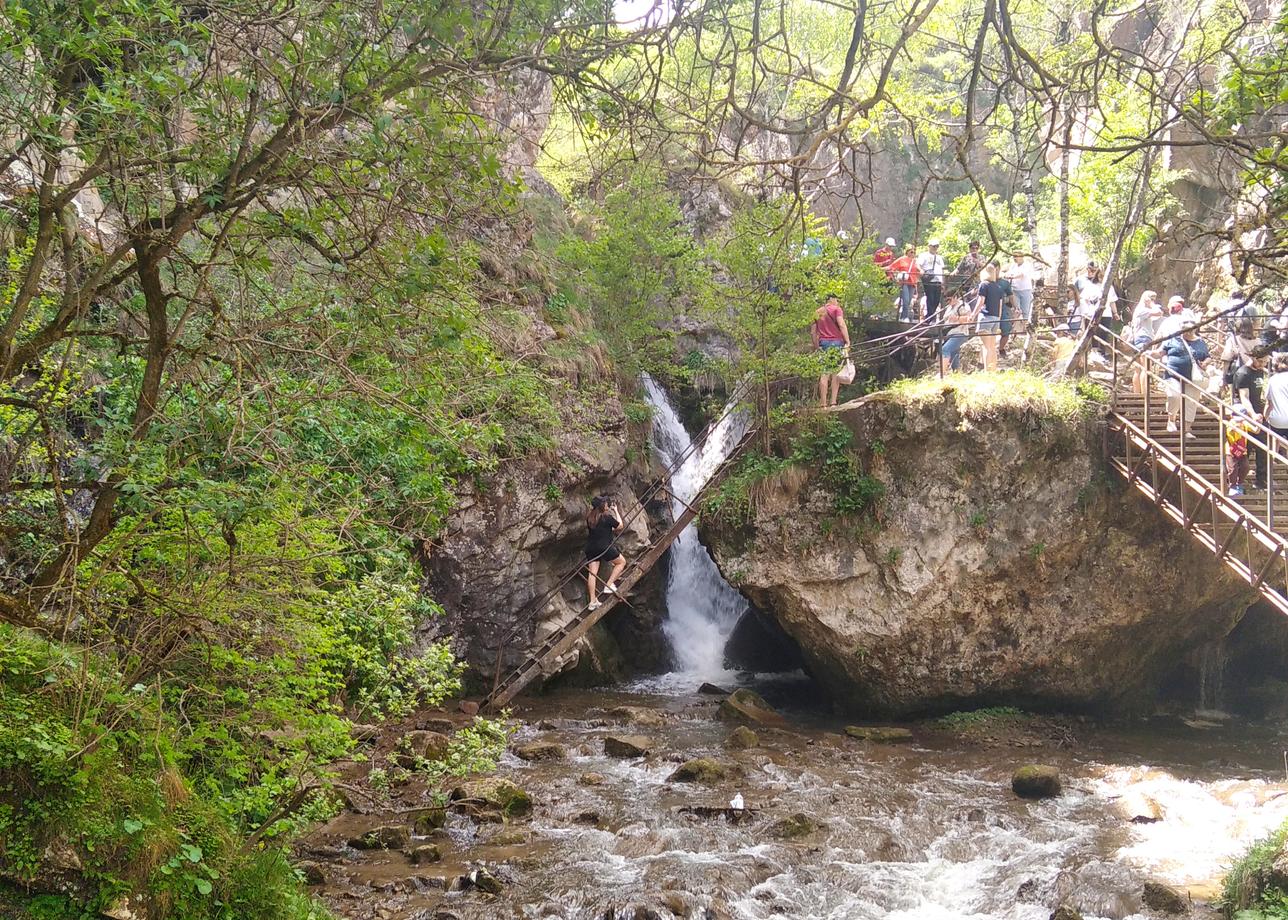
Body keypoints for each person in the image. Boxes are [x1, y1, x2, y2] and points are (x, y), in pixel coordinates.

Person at [1158, 323, 1210, 435]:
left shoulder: (1200, 342)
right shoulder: (1173, 340)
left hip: (1193, 378)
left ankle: (1186, 429)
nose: (1186, 333)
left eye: (1189, 331)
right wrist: (1150, 353)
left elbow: (1207, 357)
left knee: (1191, 402)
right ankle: (1171, 420)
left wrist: (1205, 363)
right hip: (1173, 375)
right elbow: (1161, 352)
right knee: (1173, 396)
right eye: (1184, 330)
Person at [1233, 352, 1269, 490]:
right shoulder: (1243, 373)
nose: (1263, 365)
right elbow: (1244, 397)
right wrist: (1252, 414)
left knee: (1262, 449)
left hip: (1261, 416)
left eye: (1266, 362)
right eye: (1261, 361)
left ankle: (1261, 480)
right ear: (1253, 358)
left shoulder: (1262, 371)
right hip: (1245, 416)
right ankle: (1238, 480)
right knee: (1244, 449)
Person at [584, 496, 626, 611]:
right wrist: (616, 511)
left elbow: (601, 529)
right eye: (606, 504)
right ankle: (609, 585)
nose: (607, 505)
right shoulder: (606, 517)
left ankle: (592, 601)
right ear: (602, 506)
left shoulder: (590, 518)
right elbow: (620, 526)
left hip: (591, 548)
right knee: (621, 562)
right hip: (603, 547)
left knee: (592, 574)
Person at [811, 294, 851, 408]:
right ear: (832, 299)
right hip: (837, 343)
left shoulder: (817, 312)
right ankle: (833, 403)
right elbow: (842, 325)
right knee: (835, 373)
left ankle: (823, 403)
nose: (837, 302)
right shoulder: (837, 310)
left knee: (824, 374)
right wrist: (847, 341)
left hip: (823, 344)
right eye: (837, 299)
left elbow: (813, 332)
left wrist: (816, 346)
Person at [1128, 290, 1164, 395]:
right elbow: (1159, 312)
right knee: (1145, 367)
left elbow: (1158, 316)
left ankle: (1137, 393)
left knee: (1138, 368)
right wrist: (1152, 304)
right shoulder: (1141, 309)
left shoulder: (1142, 310)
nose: (1153, 301)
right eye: (1151, 298)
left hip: (1139, 339)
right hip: (1144, 339)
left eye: (1154, 299)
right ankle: (1144, 394)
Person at [1262, 355, 1288, 492]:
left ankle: (1270, 474)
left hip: (1277, 419)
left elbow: (1269, 402)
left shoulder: (1272, 379)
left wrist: (1264, 418)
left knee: (1273, 444)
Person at [1003, 251, 1039, 345]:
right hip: (1015, 290)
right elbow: (1008, 273)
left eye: (1016, 256)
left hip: (1025, 290)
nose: (1015, 258)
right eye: (1014, 256)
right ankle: (1014, 331)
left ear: (1021, 257)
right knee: (1016, 310)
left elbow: (1022, 275)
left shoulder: (1027, 265)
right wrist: (1007, 275)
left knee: (1026, 311)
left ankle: (1027, 330)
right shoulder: (1013, 266)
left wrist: (1012, 277)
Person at [974, 264, 1005, 371]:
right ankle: (993, 369)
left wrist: (973, 314)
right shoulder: (999, 288)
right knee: (992, 347)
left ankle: (987, 371)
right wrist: (999, 320)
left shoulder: (984, 285)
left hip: (986, 317)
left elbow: (981, 301)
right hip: (996, 318)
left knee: (986, 346)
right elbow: (1000, 306)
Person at [939, 292, 975, 373]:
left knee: (945, 349)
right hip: (949, 333)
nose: (948, 302)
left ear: (955, 297)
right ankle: (956, 372)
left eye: (949, 299)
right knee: (954, 355)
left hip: (960, 333)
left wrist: (957, 318)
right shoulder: (949, 308)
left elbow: (969, 319)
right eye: (946, 300)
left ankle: (942, 373)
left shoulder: (963, 306)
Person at [1226, 407, 1256, 497]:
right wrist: (1235, 427)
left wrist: (1258, 423)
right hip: (1231, 449)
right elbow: (1229, 430)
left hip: (1242, 450)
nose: (1239, 421)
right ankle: (1232, 486)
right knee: (1233, 468)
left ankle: (1240, 484)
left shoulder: (1245, 423)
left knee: (1245, 467)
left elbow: (1256, 430)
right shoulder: (1230, 423)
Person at [989, 260, 1017, 357]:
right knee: (989, 331)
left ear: (998, 269)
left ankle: (1001, 348)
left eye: (995, 269)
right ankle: (990, 351)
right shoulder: (986, 282)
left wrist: (1015, 307)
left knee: (1006, 329)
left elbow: (1011, 296)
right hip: (989, 309)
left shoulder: (1004, 283)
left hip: (1003, 308)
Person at [888, 245, 922, 322]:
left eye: (914, 252)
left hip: (912, 282)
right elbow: (892, 267)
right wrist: (893, 277)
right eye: (911, 252)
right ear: (907, 252)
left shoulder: (915, 261)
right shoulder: (902, 259)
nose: (913, 253)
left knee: (909, 301)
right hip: (904, 282)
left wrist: (921, 271)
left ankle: (903, 316)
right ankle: (904, 317)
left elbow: (919, 268)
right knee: (906, 300)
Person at [917, 241, 947, 323]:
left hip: (938, 280)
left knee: (937, 299)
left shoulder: (939, 258)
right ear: (929, 246)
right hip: (929, 278)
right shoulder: (924, 255)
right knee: (930, 298)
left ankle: (930, 316)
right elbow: (918, 264)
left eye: (936, 246)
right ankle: (930, 318)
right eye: (933, 246)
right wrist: (921, 270)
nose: (935, 248)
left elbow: (942, 270)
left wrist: (943, 282)